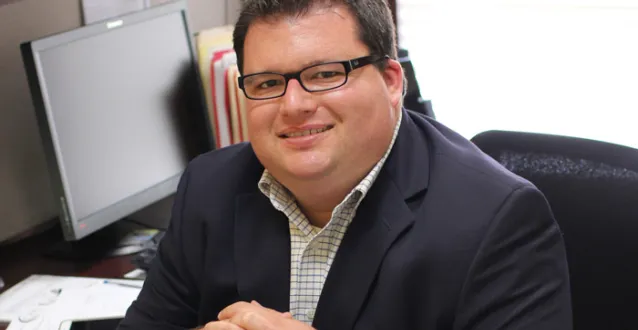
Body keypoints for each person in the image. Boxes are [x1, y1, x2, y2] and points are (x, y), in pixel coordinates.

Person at [118, 0, 572, 329]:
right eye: (268, 82)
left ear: (392, 81)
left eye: (324, 75)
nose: (293, 105)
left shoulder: (497, 220)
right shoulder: (209, 185)